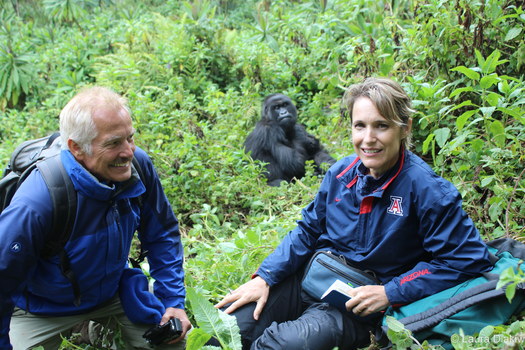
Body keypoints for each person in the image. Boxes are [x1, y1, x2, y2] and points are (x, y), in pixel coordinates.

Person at [215, 77, 493, 350]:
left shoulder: (426, 190)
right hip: (312, 275)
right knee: (226, 328)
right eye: (360, 126)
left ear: (404, 127)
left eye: (381, 126)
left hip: (357, 304)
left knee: (282, 345)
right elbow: (307, 230)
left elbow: (466, 259)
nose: (368, 139)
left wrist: (390, 292)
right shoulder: (341, 173)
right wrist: (265, 277)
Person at [0, 86, 191, 349]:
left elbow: (162, 234)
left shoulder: (137, 167)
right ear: (77, 148)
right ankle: (85, 327)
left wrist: (173, 302)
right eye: (113, 143)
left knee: (173, 341)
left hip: (112, 292)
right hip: (40, 307)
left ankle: (92, 327)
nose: (128, 152)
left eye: (130, 138)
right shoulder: (38, 200)